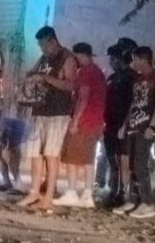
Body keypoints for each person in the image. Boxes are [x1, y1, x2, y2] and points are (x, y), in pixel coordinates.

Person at [18, 26, 77, 211]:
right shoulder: (44, 58)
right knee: (34, 153)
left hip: (57, 113)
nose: (42, 49)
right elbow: (33, 72)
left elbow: (70, 86)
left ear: (52, 41)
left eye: (44, 45)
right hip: (39, 110)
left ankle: (48, 196)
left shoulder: (67, 58)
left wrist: (46, 79)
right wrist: (32, 76)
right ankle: (34, 192)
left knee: (51, 155)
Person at [55, 43, 106, 208]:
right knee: (88, 160)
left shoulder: (86, 72)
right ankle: (87, 194)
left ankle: (71, 192)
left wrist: (75, 121)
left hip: (84, 121)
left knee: (71, 158)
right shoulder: (98, 72)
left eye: (76, 57)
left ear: (81, 55)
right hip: (95, 121)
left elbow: (83, 98)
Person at [114, 46, 155, 219]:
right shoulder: (138, 79)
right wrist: (125, 124)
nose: (133, 63)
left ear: (143, 59)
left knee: (141, 163)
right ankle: (133, 199)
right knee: (130, 164)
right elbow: (134, 103)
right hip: (132, 125)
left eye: (135, 59)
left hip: (145, 127)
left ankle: (148, 202)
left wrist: (152, 126)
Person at [100, 44, 135, 207]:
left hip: (123, 125)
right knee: (112, 159)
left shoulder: (131, 77)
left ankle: (123, 192)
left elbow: (132, 103)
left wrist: (125, 125)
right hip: (110, 124)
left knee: (123, 159)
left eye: (113, 59)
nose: (111, 62)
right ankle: (113, 189)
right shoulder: (112, 78)